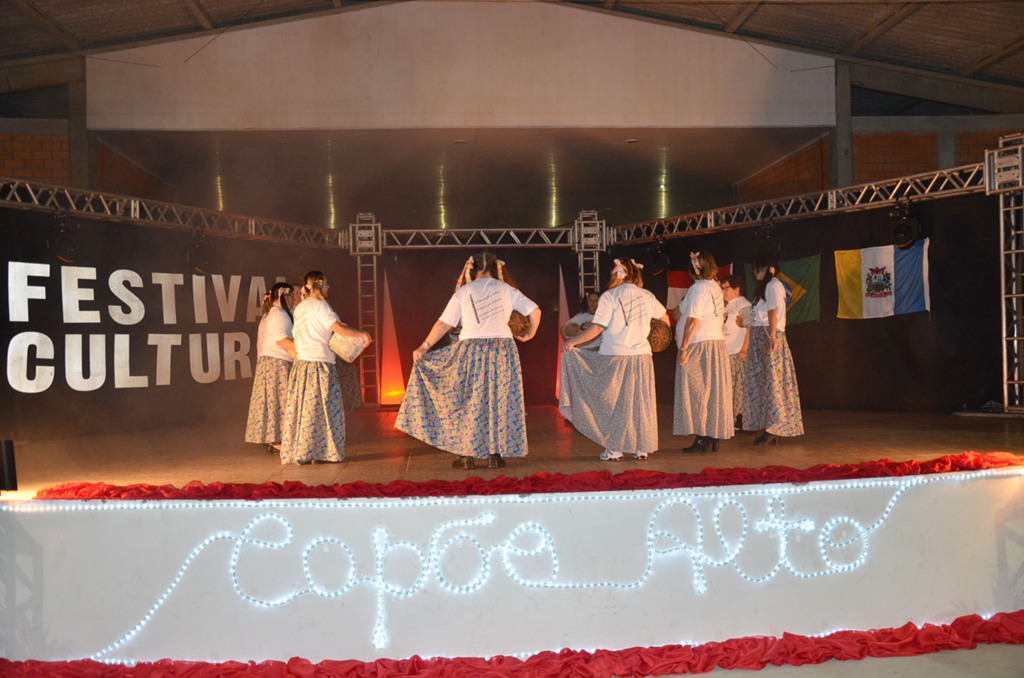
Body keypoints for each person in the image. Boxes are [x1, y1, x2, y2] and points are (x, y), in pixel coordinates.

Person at [395, 253, 541, 469]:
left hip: (472, 350)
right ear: (494, 269)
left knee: (469, 401)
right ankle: (494, 454)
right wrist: (530, 334)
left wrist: (424, 346)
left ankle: (467, 456)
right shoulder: (507, 290)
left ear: (471, 271)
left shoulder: (464, 292)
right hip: (502, 350)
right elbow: (535, 310)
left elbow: (444, 324)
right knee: (497, 400)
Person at [560, 258, 669, 461]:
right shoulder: (647, 295)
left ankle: (615, 449)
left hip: (615, 357)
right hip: (642, 357)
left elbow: (597, 327)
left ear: (617, 274)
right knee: (639, 403)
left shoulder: (609, 296)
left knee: (613, 404)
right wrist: (652, 338)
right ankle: (641, 448)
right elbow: (665, 321)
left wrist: (573, 342)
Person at [280, 270, 372, 464]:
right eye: (327, 284)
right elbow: (337, 328)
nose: (329, 288)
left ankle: (303, 451)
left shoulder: (301, 308)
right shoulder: (322, 307)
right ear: (319, 285)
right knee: (323, 410)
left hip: (302, 364)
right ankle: (318, 452)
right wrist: (361, 334)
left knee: (304, 409)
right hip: (319, 365)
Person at [674, 251, 733, 453]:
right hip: (715, 344)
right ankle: (711, 436)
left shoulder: (699, 289)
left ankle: (702, 438)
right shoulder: (715, 287)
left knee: (697, 391)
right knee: (711, 392)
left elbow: (694, 320)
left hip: (700, 345)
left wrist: (684, 347)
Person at [742, 254, 804, 445]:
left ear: (767, 269)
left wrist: (773, 335)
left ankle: (774, 428)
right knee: (763, 383)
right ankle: (768, 426)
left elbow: (773, 311)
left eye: (757, 269)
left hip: (769, 335)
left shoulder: (774, 285)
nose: (754, 273)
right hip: (761, 334)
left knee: (773, 382)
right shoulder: (765, 287)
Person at [244, 282, 296, 452]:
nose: (294, 299)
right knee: (278, 402)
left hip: (272, 363)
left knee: (275, 402)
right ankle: (277, 441)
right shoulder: (278, 314)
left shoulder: (272, 314)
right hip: (276, 363)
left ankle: (276, 440)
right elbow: (282, 340)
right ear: (283, 296)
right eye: (291, 296)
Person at [721, 274, 752, 432]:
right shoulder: (725, 306)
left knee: (739, 388)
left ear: (737, 288)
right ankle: (730, 419)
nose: (724, 291)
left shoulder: (743, 304)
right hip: (726, 353)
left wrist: (745, 347)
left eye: (727, 288)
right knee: (728, 388)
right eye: (723, 288)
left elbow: (750, 327)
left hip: (737, 352)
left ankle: (740, 419)